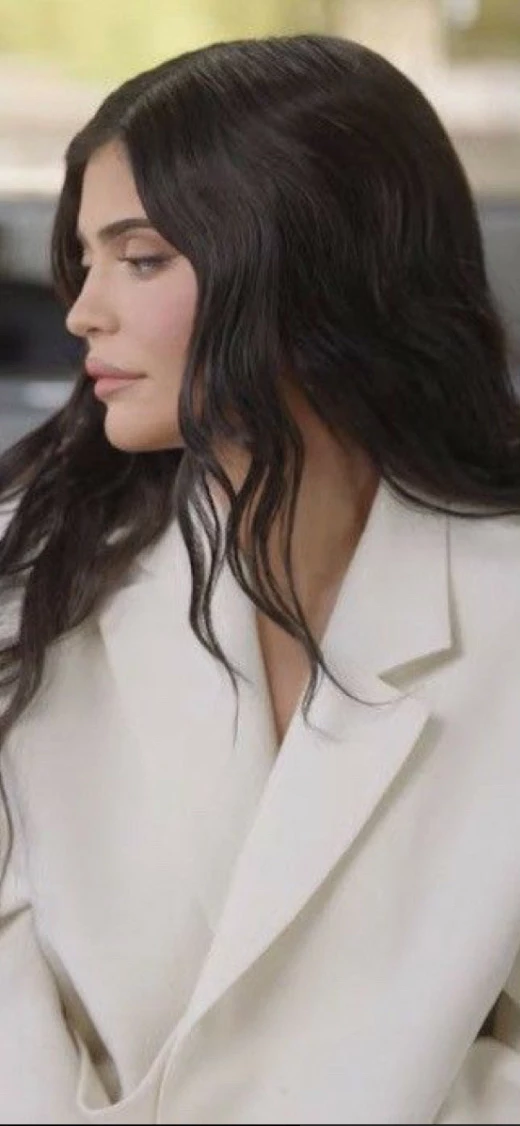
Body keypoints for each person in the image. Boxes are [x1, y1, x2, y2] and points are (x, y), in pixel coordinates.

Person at [0, 31, 520, 1125]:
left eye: (142, 259)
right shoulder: (36, 573)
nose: (84, 309)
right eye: (87, 258)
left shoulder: (501, 604)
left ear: (308, 267)